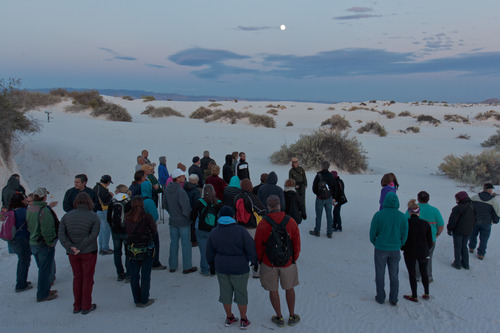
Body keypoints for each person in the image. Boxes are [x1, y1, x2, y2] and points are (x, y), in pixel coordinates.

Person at [206, 206, 257, 329]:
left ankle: (229, 317)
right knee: (241, 293)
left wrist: (211, 266)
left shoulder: (214, 232)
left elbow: (209, 252)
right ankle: (243, 319)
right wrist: (254, 261)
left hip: (221, 267)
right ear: (233, 217)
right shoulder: (241, 231)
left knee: (225, 293)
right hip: (239, 267)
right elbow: (250, 247)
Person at [255, 195, 301, 327]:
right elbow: (296, 244)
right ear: (280, 205)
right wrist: (293, 259)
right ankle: (292, 315)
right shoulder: (291, 222)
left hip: (269, 263)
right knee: (289, 288)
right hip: (288, 262)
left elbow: (258, 245)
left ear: (268, 207)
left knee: (273, 290)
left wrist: (261, 260)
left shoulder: (263, 224)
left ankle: (279, 317)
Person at [59, 192, 100, 314]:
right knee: (87, 278)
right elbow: (94, 235)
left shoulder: (66, 217)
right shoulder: (93, 216)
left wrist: (71, 247)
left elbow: (61, 235)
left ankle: (77, 305)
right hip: (89, 251)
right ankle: (86, 305)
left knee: (77, 277)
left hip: (72, 253)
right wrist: (80, 247)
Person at [369, 192, 408, 305]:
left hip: (381, 248)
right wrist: (400, 244)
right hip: (395, 248)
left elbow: (372, 233)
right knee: (394, 274)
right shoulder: (402, 216)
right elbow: (405, 233)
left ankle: (380, 297)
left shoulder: (378, 215)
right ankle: (394, 298)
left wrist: (375, 242)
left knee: (380, 273)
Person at [26, 187, 58, 302]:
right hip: (43, 244)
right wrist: (50, 242)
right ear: (44, 197)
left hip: (33, 242)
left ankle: (45, 289)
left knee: (42, 268)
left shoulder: (30, 209)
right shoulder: (44, 210)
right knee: (45, 270)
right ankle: (42, 294)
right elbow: (47, 229)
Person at [124, 196, 156, 308]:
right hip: (146, 247)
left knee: (134, 275)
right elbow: (154, 230)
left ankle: (136, 298)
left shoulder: (127, 218)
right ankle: (144, 298)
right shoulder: (147, 217)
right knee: (146, 274)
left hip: (133, 249)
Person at [164, 169, 197, 274]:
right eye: (182, 176)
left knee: (174, 243)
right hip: (183, 221)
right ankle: (187, 266)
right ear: (177, 178)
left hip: (173, 220)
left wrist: (172, 213)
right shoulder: (180, 191)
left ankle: (172, 265)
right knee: (186, 243)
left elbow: (165, 205)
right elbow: (186, 208)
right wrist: (189, 217)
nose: (184, 178)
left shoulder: (167, 190)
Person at [407, 191, 444, 282]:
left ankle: (416, 275)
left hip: (415, 238)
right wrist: (437, 234)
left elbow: (404, 222)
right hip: (430, 239)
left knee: (415, 257)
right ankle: (428, 276)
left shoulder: (413, 209)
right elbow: (441, 225)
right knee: (428, 257)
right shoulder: (435, 210)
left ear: (418, 198)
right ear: (428, 199)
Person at [401, 199, 433, 303]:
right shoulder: (425, 224)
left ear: (409, 211)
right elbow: (430, 241)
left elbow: (403, 237)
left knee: (412, 273)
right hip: (423, 251)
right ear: (418, 212)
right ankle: (426, 293)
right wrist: (427, 248)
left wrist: (403, 247)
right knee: (424, 271)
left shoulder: (406, 223)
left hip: (409, 251)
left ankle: (414, 295)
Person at [190, 184, 222, 276]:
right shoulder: (218, 202)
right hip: (214, 229)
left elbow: (193, 215)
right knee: (214, 250)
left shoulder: (200, 202)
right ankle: (213, 269)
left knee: (203, 250)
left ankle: (204, 269)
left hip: (201, 229)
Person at [107, 185, 132, 281]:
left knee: (117, 252)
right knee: (128, 252)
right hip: (126, 231)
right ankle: (129, 273)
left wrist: (112, 227)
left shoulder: (112, 202)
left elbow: (108, 217)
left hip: (115, 231)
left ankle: (120, 273)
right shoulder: (128, 201)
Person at [8, 193, 32, 292]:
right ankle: (21, 284)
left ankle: (21, 281)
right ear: (22, 201)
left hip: (13, 239)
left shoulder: (11, 211)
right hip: (22, 239)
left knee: (21, 260)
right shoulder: (24, 211)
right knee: (24, 261)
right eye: (25, 199)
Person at [469, 183, 500, 260]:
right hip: (486, 223)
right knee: (484, 239)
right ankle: (481, 254)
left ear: (483, 189)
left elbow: (469, 209)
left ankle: (471, 248)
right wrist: (496, 220)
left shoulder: (474, 197)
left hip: (474, 221)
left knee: (473, 235)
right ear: (490, 190)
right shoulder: (493, 201)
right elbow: (496, 212)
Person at [447, 191, 476, 270]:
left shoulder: (457, 208)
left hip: (458, 231)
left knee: (457, 247)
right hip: (468, 230)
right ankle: (466, 264)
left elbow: (453, 221)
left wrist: (449, 228)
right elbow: (475, 219)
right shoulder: (472, 206)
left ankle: (457, 263)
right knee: (464, 246)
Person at [141, 180, 166, 270]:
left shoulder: (139, 199)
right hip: (150, 227)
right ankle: (155, 262)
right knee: (155, 244)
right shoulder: (149, 201)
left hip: (141, 227)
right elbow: (154, 216)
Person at [310, 161, 337, 238]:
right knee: (329, 215)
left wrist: (318, 194)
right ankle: (329, 232)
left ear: (322, 166)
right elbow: (334, 187)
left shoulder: (318, 175)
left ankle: (317, 231)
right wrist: (333, 196)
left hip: (320, 198)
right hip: (329, 198)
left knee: (318, 215)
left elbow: (314, 187)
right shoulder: (331, 176)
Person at [93, 175, 114, 255]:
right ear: (108, 182)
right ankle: (105, 248)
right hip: (103, 210)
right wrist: (110, 196)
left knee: (102, 229)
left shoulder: (97, 187)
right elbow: (105, 202)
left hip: (98, 211)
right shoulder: (102, 190)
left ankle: (102, 247)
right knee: (106, 229)